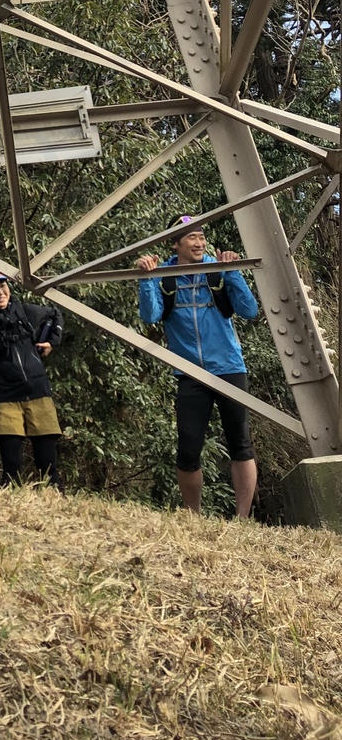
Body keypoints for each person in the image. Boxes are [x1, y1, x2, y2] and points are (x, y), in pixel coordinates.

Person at [135, 214, 260, 517]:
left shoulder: (216, 270)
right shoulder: (164, 275)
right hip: (189, 373)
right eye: (192, 237)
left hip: (229, 367)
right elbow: (150, 316)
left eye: (202, 236)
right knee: (188, 449)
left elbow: (249, 310)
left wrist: (231, 273)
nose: (200, 242)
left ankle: (243, 519)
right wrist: (147, 280)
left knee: (240, 443)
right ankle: (194, 517)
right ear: (175, 243)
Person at [0, 268, 64, 490]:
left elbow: (55, 313)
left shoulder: (27, 312)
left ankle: (54, 500)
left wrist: (51, 342)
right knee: (11, 470)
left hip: (38, 391)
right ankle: (9, 504)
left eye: (3, 286)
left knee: (49, 468)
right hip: (5, 397)